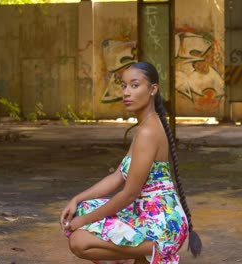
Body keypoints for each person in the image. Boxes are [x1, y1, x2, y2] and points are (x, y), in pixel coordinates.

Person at [59, 62, 202, 264]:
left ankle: (151, 252)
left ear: (153, 89)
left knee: (80, 241)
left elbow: (129, 194)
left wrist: (82, 222)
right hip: (144, 212)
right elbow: (117, 176)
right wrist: (76, 199)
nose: (126, 92)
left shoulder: (148, 131)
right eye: (124, 86)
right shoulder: (144, 126)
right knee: (83, 207)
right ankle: (137, 258)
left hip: (162, 224)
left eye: (135, 86)